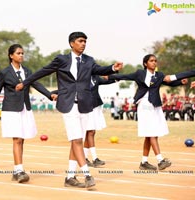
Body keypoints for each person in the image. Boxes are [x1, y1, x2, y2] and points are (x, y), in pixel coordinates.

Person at [16, 31, 123, 188]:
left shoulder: (89, 60)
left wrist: (113, 67)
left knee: (77, 139)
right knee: (77, 140)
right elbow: (42, 72)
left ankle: (70, 177)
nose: (83, 44)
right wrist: (24, 83)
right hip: (68, 104)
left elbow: (100, 70)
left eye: (85, 41)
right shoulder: (61, 59)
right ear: (72, 43)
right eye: (80, 41)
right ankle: (87, 174)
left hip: (85, 105)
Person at [0, 44, 56, 183]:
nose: (21, 55)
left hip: (25, 109)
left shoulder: (27, 71)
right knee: (16, 139)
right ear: (11, 55)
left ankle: (17, 169)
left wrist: (49, 95)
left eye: (22, 53)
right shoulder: (5, 72)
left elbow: (36, 84)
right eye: (18, 53)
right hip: (11, 109)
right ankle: (19, 170)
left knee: (22, 140)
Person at [108, 54, 187, 171]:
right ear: (145, 63)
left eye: (155, 61)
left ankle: (144, 162)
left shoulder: (159, 75)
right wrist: (109, 76)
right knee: (152, 133)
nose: (154, 63)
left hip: (155, 105)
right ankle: (160, 161)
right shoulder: (139, 73)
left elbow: (169, 82)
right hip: (144, 105)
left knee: (150, 135)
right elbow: (126, 76)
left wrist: (181, 82)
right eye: (151, 61)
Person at [85, 75, 115, 167]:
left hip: (96, 106)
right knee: (90, 131)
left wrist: (112, 76)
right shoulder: (81, 77)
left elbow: (108, 81)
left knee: (90, 132)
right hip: (86, 107)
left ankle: (85, 158)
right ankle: (94, 159)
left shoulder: (95, 77)